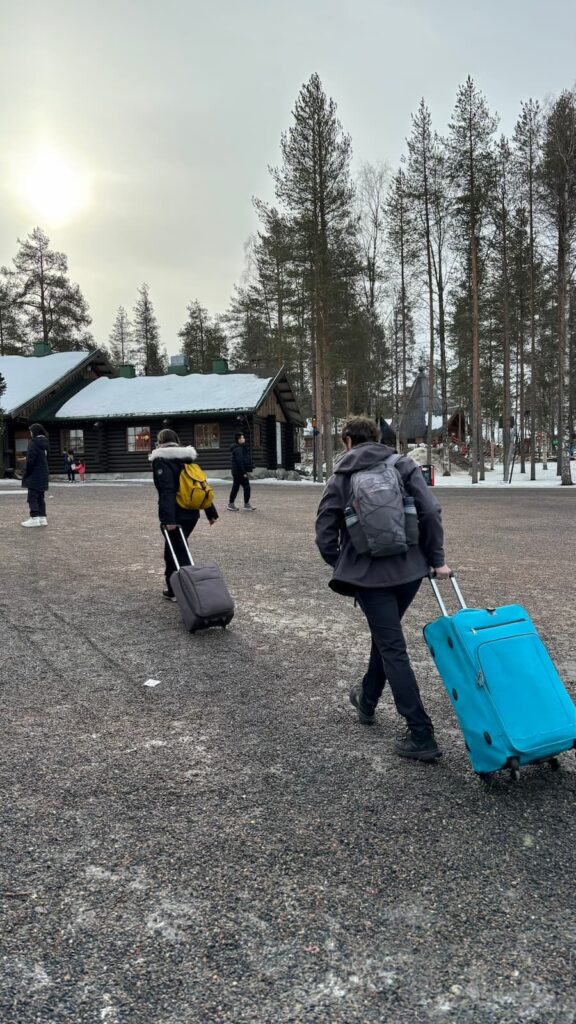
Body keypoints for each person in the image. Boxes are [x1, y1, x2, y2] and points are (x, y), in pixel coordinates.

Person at [315, 416, 451, 763]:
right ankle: (367, 699)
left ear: (347, 440)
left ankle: (421, 733)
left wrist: (343, 563)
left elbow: (325, 533)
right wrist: (434, 559)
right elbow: (431, 511)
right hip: (408, 572)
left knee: (392, 647)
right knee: (386, 637)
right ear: (377, 438)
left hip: (369, 577)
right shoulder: (403, 465)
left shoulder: (341, 476)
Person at [149, 428, 219, 601]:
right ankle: (176, 588)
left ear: (160, 441)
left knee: (177, 552)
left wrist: (169, 520)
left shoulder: (161, 460)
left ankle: (183, 590)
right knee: (177, 548)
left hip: (176, 515)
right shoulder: (187, 458)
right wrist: (210, 512)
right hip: (192, 514)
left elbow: (168, 490)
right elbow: (200, 484)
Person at [21, 423, 50, 528]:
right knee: (41, 497)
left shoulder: (33, 443)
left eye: (31, 431)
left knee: (32, 497)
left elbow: (30, 461)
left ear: (35, 432)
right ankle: (42, 518)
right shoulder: (45, 443)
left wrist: (26, 472)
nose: (30, 433)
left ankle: (34, 518)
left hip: (34, 475)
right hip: (43, 474)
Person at [227, 432, 256, 512]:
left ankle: (231, 504)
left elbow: (245, 459)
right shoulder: (238, 449)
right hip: (239, 472)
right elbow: (240, 462)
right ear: (238, 440)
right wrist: (244, 473)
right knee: (247, 487)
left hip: (236, 471)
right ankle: (246, 504)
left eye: (243, 437)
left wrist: (250, 465)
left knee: (235, 487)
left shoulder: (240, 448)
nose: (244, 439)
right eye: (242, 438)